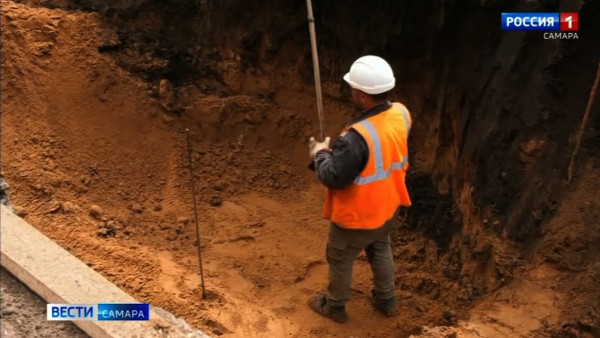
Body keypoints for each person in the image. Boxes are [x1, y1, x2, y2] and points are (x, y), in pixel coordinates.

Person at [307, 55, 412, 323]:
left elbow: (334, 176)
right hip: (388, 207)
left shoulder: (356, 138)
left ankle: (335, 306)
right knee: (380, 250)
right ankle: (386, 300)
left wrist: (320, 154)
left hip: (357, 218)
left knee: (340, 259)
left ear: (363, 95)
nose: (351, 91)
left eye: (353, 87)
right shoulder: (401, 113)